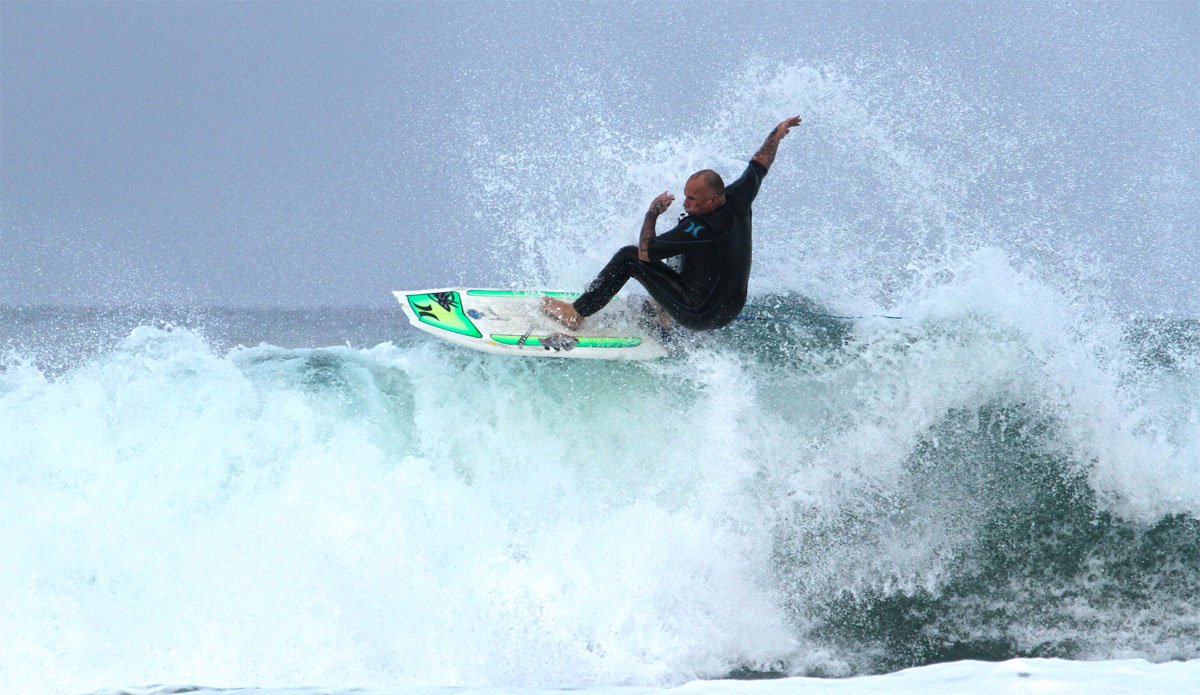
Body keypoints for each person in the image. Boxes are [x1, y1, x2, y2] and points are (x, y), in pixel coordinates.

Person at [543, 116, 802, 332]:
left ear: (713, 199)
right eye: (686, 196)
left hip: (699, 315)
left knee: (628, 257)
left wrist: (652, 214)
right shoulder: (739, 197)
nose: (686, 203)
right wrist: (776, 135)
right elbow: (760, 162)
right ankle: (663, 310)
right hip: (729, 310)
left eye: (692, 199)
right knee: (681, 245)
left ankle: (576, 312)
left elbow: (645, 253)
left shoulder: (700, 229)